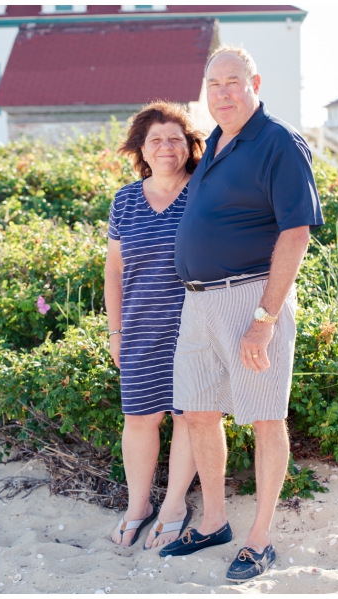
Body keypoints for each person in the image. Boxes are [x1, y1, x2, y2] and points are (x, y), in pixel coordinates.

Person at [158, 46, 324, 584]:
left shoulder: (278, 141)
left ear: (253, 81)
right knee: (198, 412)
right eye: (214, 85)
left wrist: (265, 317)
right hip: (199, 301)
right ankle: (213, 522)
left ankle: (261, 540)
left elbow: (295, 233)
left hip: (250, 298)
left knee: (263, 417)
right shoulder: (218, 143)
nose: (223, 93)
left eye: (233, 82)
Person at [105, 102, 205, 550]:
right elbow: (113, 271)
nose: (166, 147)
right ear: (141, 148)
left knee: (187, 418)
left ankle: (174, 507)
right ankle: (139, 506)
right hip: (140, 326)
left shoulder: (204, 190)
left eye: (176, 139)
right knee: (140, 418)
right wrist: (115, 332)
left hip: (195, 327)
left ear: (189, 146)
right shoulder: (125, 199)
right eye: (156, 139)